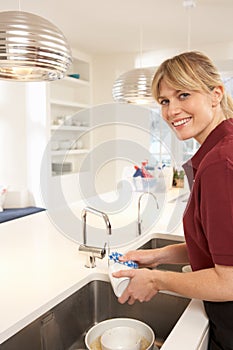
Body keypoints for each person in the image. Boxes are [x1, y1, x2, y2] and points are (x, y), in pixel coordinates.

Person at [113, 51, 233, 350]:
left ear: (215, 94)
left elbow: (228, 281)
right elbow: (218, 248)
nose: (171, 110)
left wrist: (156, 280)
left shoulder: (221, 162)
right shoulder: (221, 149)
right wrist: (159, 257)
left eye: (183, 95)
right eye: (164, 101)